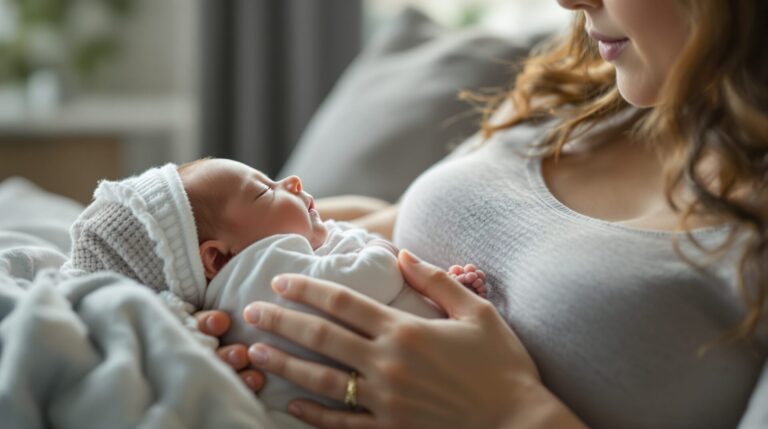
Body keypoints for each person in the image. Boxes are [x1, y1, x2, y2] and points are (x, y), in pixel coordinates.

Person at [196, 0, 768, 428]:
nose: (568, 2)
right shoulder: (579, 98)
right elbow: (379, 229)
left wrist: (513, 412)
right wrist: (206, 302)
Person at [64, 158, 486, 411]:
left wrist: (437, 290)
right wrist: (390, 258)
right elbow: (359, 281)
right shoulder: (262, 266)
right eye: (266, 190)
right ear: (218, 257)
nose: (293, 182)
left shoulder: (262, 267)